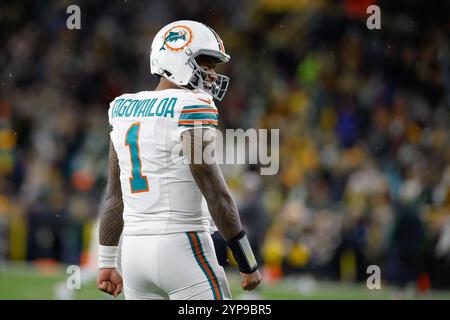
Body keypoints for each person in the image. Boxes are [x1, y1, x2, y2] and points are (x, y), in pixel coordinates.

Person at [96, 20, 262, 300]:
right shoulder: (193, 106)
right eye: (205, 64)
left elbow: (115, 196)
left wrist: (106, 261)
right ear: (176, 58)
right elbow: (216, 193)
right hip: (183, 246)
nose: (211, 74)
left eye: (213, 67)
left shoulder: (124, 108)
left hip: (134, 255)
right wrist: (247, 263)